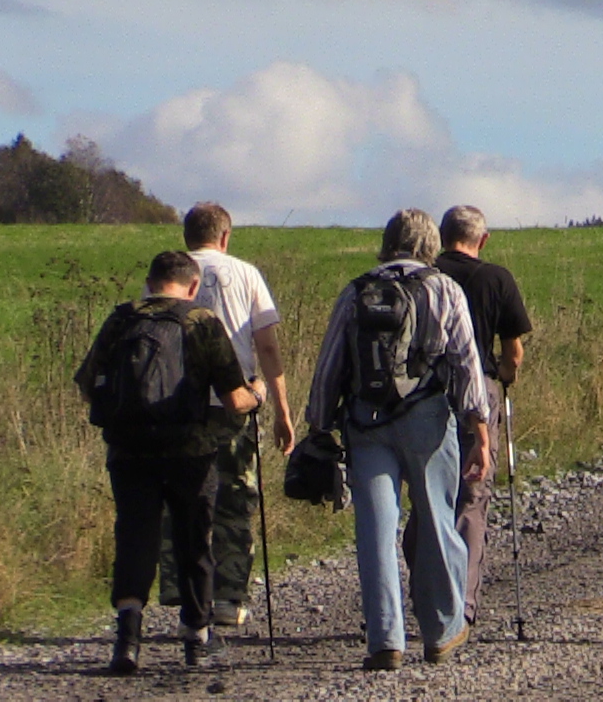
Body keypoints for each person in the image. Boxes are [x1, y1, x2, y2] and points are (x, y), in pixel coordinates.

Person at [304, 209, 492, 671]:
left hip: (365, 422)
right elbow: (466, 361)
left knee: (375, 530)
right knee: (435, 522)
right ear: (430, 244)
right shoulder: (443, 288)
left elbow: (330, 363)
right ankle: (443, 630)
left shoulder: (356, 291)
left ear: (387, 242)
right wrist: (480, 430)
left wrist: (318, 425)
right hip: (427, 419)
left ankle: (386, 640)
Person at [76, 251, 263, 674]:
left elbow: (88, 384)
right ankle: (197, 636)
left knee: (134, 536)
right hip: (189, 450)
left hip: (129, 450)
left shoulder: (122, 318)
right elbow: (235, 400)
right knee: (194, 539)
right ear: (193, 285)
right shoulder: (201, 321)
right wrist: (259, 393)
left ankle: (127, 639)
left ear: (150, 281)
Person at [155, 202, 293, 628]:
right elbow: (266, 346)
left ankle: (183, 593)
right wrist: (281, 409)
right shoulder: (245, 274)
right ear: (225, 236)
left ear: (186, 235)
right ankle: (229, 599)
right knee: (234, 500)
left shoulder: (167, 276)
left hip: (176, 408)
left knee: (179, 499)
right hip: (233, 402)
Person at [423, 204, 532, 624]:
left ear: (440, 235)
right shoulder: (496, 278)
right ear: (482, 240)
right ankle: (460, 604)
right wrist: (506, 375)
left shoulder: (426, 276)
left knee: (431, 492)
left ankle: (425, 590)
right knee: (473, 493)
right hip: (479, 394)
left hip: (428, 393)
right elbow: (513, 351)